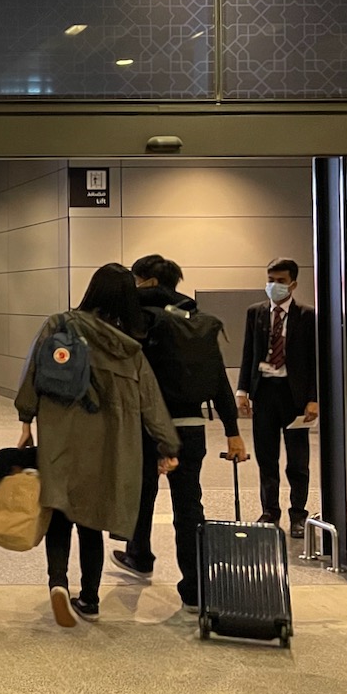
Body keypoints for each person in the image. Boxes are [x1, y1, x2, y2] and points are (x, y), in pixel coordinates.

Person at [16, 263, 180, 627]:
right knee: (89, 521)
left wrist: (26, 421)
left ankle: (58, 583)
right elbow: (151, 402)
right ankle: (89, 598)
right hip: (105, 446)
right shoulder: (130, 350)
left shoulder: (59, 325)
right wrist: (168, 445)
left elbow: (31, 375)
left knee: (58, 511)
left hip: (60, 437)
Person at [111, 255, 249, 612]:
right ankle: (193, 589)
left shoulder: (140, 318)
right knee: (189, 505)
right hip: (192, 427)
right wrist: (233, 430)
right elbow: (218, 377)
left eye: (136, 279)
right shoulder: (197, 321)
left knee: (141, 493)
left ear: (150, 282)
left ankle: (139, 554)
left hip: (148, 425)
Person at [237, 257, 319, 537]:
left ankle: (298, 515)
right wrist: (242, 391)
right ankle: (270, 511)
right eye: (270, 279)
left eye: (280, 281)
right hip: (264, 393)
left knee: (298, 461)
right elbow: (249, 353)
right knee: (266, 457)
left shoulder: (308, 316)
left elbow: (315, 361)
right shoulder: (255, 312)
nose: (274, 285)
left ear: (293, 284)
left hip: (294, 396)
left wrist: (314, 398)